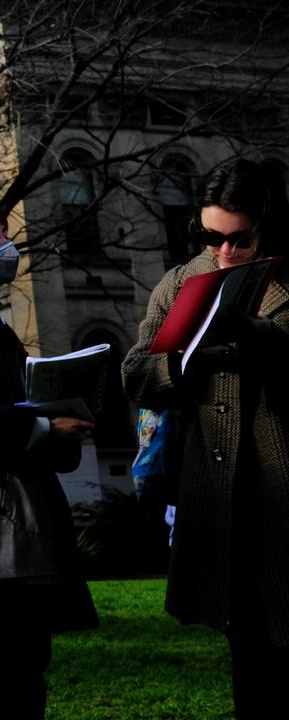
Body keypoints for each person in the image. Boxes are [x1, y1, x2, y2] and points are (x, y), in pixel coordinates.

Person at [122, 157, 289, 718]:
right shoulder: (181, 281)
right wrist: (190, 360)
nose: (223, 253)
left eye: (238, 240)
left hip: (282, 489)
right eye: (210, 236)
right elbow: (136, 374)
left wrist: (253, 335)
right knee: (251, 657)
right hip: (225, 496)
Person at [0, 199, 97, 719]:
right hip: (1, 531)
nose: (3, 247)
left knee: (20, 661)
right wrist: (47, 426)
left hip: (17, 526)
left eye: (5, 234)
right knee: (0, 663)